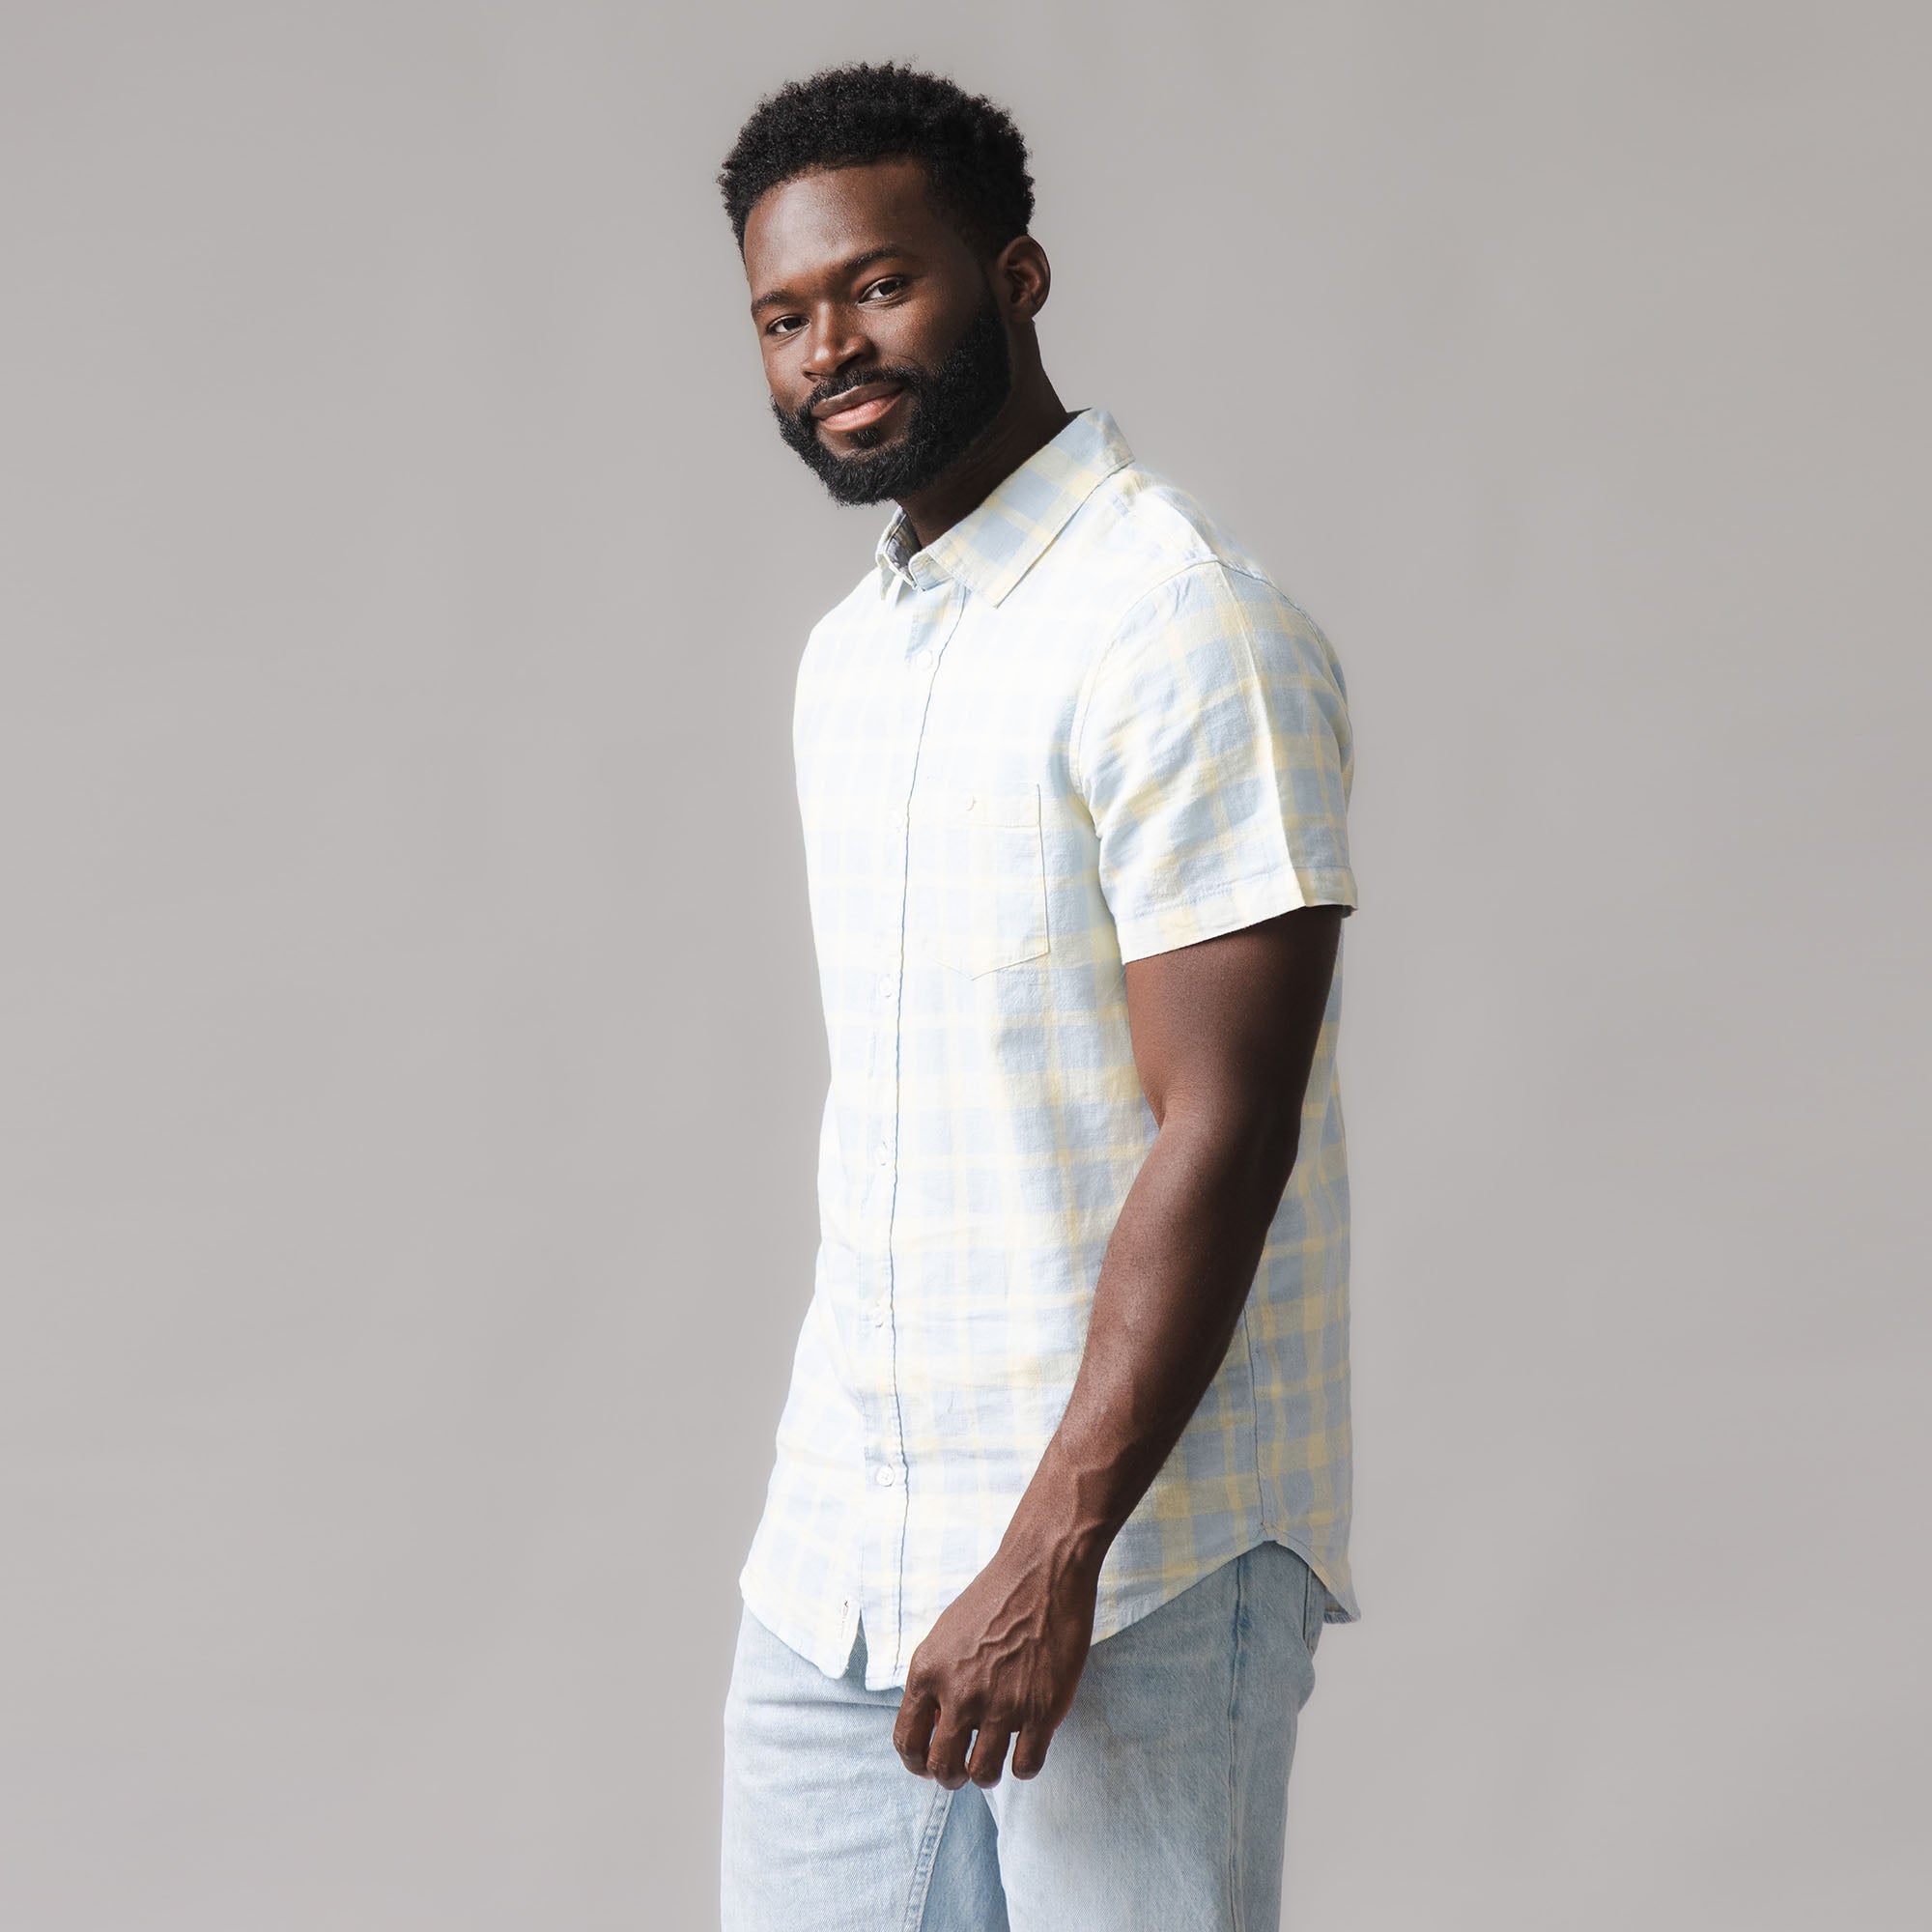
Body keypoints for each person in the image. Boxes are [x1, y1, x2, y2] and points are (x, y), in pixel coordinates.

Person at [715, 61, 1361, 1931]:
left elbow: (1224, 1123)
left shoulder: (1181, 624)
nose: (831, 349)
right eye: (783, 316)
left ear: (1016, 277)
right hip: (840, 1556)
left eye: (879, 284)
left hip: (1130, 1556)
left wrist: (1052, 1547)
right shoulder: (852, 660)